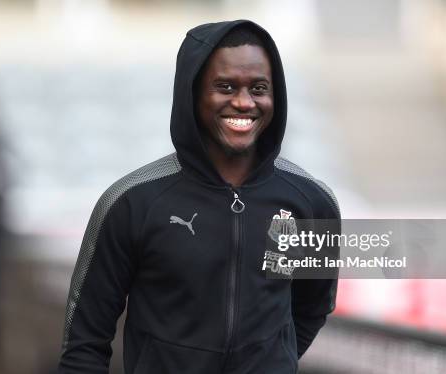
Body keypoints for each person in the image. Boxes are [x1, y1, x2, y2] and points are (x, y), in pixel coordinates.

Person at [58, 20, 340, 374]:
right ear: (193, 92)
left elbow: (312, 309)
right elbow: (84, 344)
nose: (243, 102)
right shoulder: (130, 202)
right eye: (225, 87)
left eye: (258, 88)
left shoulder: (314, 202)